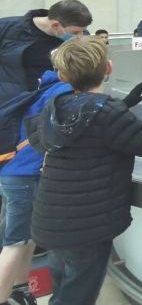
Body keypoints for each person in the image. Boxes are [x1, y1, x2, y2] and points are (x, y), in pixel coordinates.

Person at [24, 37, 142, 305]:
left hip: (51, 220)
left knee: (63, 285)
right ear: (109, 68)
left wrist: (122, 106)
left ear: (62, 75)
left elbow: (62, 134)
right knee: (77, 295)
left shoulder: (55, 107)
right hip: (88, 226)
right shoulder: (108, 114)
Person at [0, 69, 70, 305]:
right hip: (26, 175)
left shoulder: (44, 86)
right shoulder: (63, 93)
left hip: (13, 170)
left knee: (27, 239)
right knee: (15, 243)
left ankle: (19, 290)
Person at [0, 0, 92, 105]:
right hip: (12, 104)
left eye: (83, 31)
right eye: (76, 32)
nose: (81, 35)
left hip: (55, 103)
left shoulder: (81, 38)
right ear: (55, 26)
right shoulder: (6, 28)